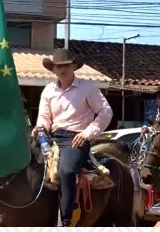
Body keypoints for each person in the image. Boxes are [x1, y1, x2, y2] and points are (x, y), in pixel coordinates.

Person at [31, 49, 113, 227]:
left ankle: (65, 221)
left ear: (74, 66)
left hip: (76, 139)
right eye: (58, 66)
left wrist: (86, 133)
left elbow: (106, 112)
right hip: (51, 137)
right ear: (53, 69)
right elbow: (44, 116)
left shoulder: (88, 88)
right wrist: (41, 128)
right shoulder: (48, 90)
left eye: (66, 65)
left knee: (66, 171)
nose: (62, 69)